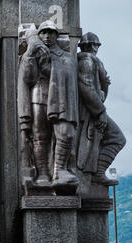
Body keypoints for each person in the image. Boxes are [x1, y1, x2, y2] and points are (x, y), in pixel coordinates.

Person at [18, 20, 79, 187]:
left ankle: (60, 170)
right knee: (39, 137)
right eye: (43, 33)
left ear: (56, 36)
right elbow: (28, 78)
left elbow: (70, 80)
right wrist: (30, 54)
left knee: (66, 134)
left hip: (61, 100)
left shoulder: (66, 57)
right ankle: (43, 174)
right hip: (38, 96)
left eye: (51, 33)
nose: (47, 36)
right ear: (39, 35)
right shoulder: (32, 54)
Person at [77, 32, 126, 186]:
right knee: (117, 138)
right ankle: (98, 173)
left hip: (94, 109)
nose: (96, 48)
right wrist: (100, 112)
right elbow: (86, 87)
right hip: (92, 111)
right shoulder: (87, 60)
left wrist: (104, 85)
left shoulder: (92, 61)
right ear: (91, 45)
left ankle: (98, 172)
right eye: (95, 45)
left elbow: (97, 91)